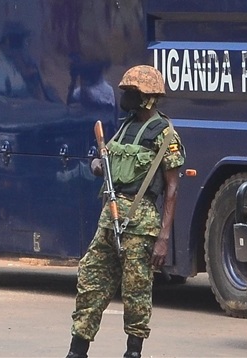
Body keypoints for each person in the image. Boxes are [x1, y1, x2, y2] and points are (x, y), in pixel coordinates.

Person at [66, 65, 185, 358]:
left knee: (136, 292)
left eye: (131, 92)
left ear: (147, 97)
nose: (125, 97)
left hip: (140, 224)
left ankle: (133, 353)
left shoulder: (165, 135)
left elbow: (172, 189)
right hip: (110, 218)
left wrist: (163, 238)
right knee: (90, 282)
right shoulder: (124, 127)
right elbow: (105, 160)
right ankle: (77, 352)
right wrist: (97, 165)